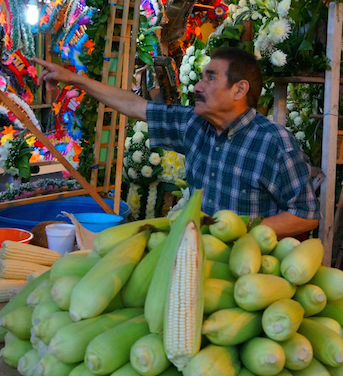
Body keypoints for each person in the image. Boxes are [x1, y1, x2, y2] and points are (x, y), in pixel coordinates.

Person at [35, 46, 319, 237]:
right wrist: (73, 78)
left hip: (249, 269)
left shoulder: (273, 142)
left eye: (210, 78)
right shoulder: (194, 125)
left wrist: (242, 232)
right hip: (197, 255)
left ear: (239, 89)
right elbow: (134, 106)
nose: (197, 86)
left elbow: (306, 215)